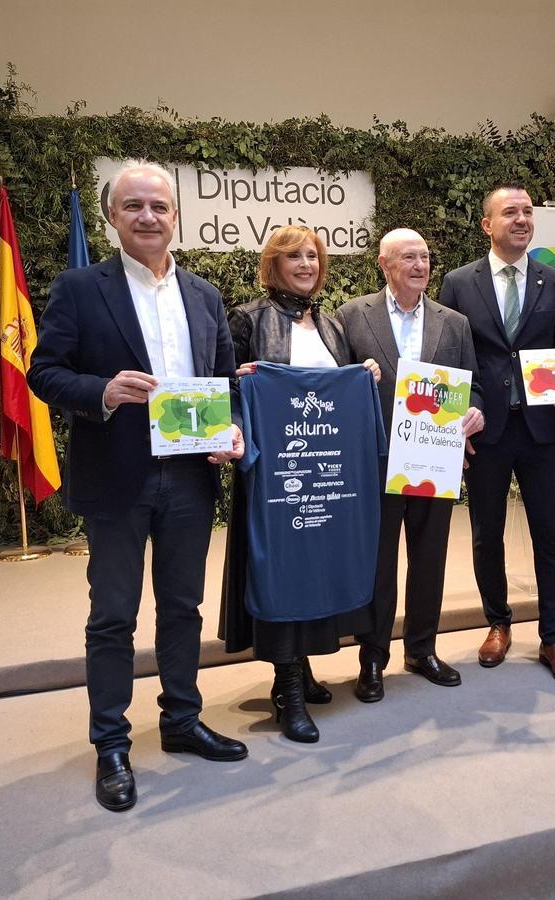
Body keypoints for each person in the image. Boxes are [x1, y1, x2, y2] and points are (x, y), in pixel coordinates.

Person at [28, 160, 247, 814]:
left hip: (188, 479)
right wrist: (102, 391)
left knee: (183, 609)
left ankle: (181, 720)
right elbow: (45, 373)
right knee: (114, 616)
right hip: (115, 478)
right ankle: (112, 744)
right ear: (113, 217)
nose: (148, 217)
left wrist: (229, 431)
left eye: (159, 206)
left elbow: (226, 380)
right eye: (134, 207)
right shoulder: (78, 288)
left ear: (175, 216)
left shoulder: (205, 295)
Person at [219, 224, 381, 742]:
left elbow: (338, 391)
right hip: (275, 478)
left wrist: (366, 374)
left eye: (313, 255)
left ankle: (305, 668)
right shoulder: (247, 318)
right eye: (295, 257)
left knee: (316, 568)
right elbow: (219, 387)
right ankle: (286, 686)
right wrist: (241, 387)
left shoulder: (332, 326)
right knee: (282, 574)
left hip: (325, 478)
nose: (307, 264)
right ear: (275, 264)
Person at [438, 183, 555, 687]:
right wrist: (459, 420)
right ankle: (497, 622)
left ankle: (554, 638)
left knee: (550, 535)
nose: (521, 220)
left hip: (542, 429)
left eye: (527, 212)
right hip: (487, 430)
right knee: (486, 534)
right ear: (487, 225)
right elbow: (451, 359)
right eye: (510, 213)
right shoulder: (458, 284)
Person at [337, 228, 485, 702]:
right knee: (378, 565)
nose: (420, 265)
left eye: (425, 256)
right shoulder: (351, 316)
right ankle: (372, 659)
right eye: (408, 257)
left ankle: (422, 649)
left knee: (429, 559)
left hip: (435, 461)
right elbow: (336, 385)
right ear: (384, 264)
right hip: (376, 462)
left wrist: (474, 410)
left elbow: (473, 385)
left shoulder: (454, 323)